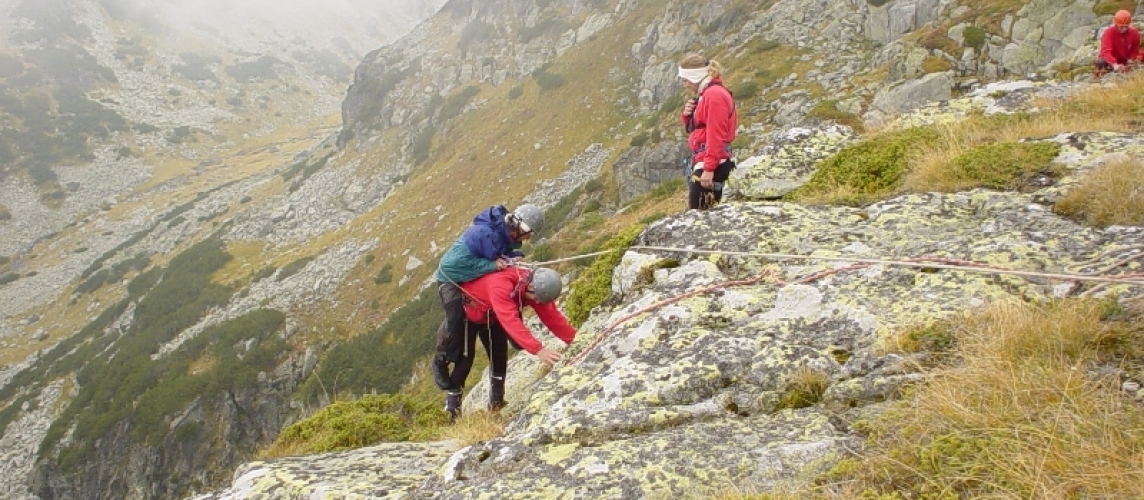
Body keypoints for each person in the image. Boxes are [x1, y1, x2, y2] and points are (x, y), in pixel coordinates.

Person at [437, 266, 575, 419]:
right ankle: (452, 412)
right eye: (536, 298)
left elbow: (553, 318)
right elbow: (510, 321)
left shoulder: (535, 288)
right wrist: (539, 350)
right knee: (464, 362)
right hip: (469, 315)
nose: (536, 302)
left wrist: (575, 340)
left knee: (499, 357)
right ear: (530, 287)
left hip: (492, 315)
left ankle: (496, 404)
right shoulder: (501, 285)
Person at [432, 204, 544, 391]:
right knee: (456, 318)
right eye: (528, 232)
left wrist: (510, 259)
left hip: (471, 276)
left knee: (505, 293)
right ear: (519, 227)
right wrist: (492, 266)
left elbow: (497, 255)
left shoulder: (504, 234)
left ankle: (515, 336)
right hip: (450, 277)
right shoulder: (484, 234)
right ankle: (440, 360)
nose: (529, 237)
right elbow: (460, 264)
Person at [679, 52, 738, 210]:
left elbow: (715, 134)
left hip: (712, 164)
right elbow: (701, 127)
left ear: (695, 76)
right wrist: (687, 116)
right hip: (708, 161)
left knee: (699, 217)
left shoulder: (713, 96)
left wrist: (709, 169)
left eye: (686, 80)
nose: (685, 85)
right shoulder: (707, 94)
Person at [1095, 10, 1142, 77]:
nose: (1124, 29)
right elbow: (1106, 52)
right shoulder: (1109, 33)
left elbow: (1135, 50)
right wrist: (1114, 64)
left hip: (1124, 59)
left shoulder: (1134, 33)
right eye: (1121, 26)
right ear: (1116, 24)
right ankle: (1102, 74)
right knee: (1100, 62)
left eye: (1126, 26)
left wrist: (1131, 59)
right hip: (1111, 59)